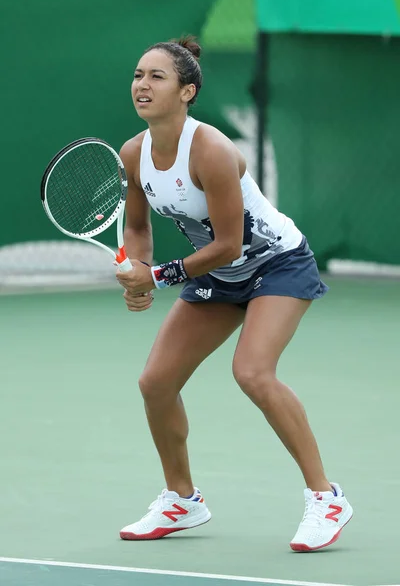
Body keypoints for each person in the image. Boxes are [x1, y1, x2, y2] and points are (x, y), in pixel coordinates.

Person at [115, 35, 353, 551]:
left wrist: (157, 278)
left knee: (251, 372)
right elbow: (137, 228)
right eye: (138, 75)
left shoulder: (213, 151)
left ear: (187, 91)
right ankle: (182, 499)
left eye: (157, 77)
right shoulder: (134, 154)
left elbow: (228, 244)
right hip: (220, 278)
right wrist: (137, 266)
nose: (142, 85)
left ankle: (326, 497)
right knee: (156, 382)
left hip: (277, 264)